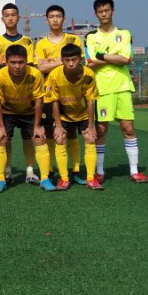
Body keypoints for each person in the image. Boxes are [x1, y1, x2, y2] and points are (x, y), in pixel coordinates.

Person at [85, 0, 148, 183]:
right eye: (100, 11)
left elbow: (126, 59)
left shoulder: (124, 33)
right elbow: (90, 62)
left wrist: (102, 55)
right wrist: (114, 56)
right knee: (101, 131)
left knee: (128, 129)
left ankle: (134, 171)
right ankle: (100, 171)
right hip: (102, 89)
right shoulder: (91, 37)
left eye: (107, 10)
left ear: (112, 11)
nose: (104, 14)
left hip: (122, 87)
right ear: (96, 14)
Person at [0, 45, 54, 192]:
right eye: (13, 62)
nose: (17, 66)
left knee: (39, 138)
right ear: (6, 62)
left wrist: (37, 126)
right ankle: (1, 179)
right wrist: (0, 127)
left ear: (26, 61)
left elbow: (39, 100)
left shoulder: (35, 74)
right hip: (7, 112)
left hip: (29, 112)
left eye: (21, 62)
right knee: (1, 138)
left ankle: (44, 178)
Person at [0, 2, 38, 185]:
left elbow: (30, 66)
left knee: (28, 136)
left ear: (19, 17)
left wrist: (3, 62)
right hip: (6, 98)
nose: (10, 18)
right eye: (7, 15)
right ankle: (7, 172)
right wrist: (4, 65)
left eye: (13, 14)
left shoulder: (27, 41)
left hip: (26, 96)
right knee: (4, 137)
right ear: (2, 18)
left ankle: (30, 171)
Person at [35, 4, 86, 184]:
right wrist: (61, 62)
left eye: (58, 16)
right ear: (46, 20)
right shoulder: (41, 43)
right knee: (50, 132)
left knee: (71, 133)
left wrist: (52, 62)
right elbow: (41, 67)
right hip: (50, 93)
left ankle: (76, 170)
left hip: (72, 92)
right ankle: (50, 170)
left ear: (64, 19)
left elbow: (80, 62)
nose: (55, 19)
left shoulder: (74, 39)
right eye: (51, 16)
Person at [48, 44, 103, 190]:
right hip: (64, 115)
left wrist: (91, 126)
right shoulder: (54, 75)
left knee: (90, 138)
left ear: (80, 59)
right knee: (60, 138)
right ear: (62, 60)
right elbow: (54, 102)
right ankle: (64, 179)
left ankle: (90, 179)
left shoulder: (89, 74)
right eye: (67, 60)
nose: (71, 63)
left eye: (74, 59)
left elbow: (91, 101)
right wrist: (58, 126)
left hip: (83, 113)